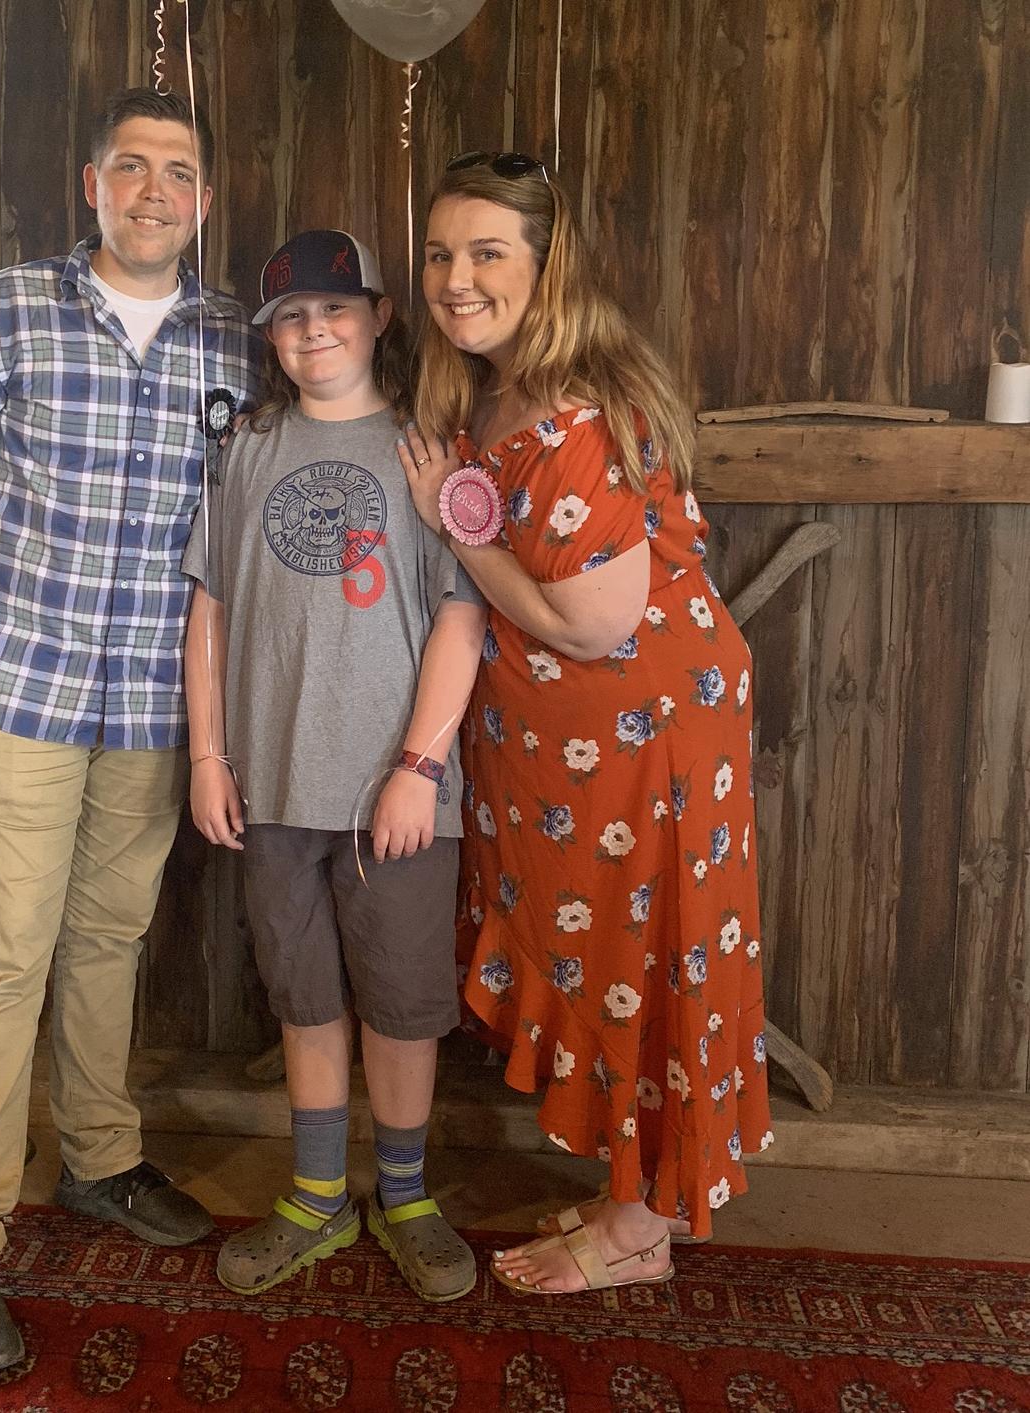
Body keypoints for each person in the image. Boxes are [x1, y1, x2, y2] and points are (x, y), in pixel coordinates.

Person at [0, 88, 258, 1374]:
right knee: (4, 960)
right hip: (17, 688)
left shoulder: (233, 340)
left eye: (179, 173)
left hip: (153, 703)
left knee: (109, 940)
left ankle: (101, 1159)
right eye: (132, 167)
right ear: (92, 184)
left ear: (204, 200)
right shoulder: (9, 310)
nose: (155, 191)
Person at [397, 151, 773, 1295]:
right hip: (574, 749)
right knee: (612, 958)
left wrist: (456, 529)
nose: (457, 279)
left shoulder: (575, 414)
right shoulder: (501, 386)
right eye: (440, 254)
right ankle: (634, 1195)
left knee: (637, 964)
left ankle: (638, 1232)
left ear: (548, 265)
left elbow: (594, 623)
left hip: (640, 743)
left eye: (488, 253)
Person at [183, 230, 487, 1302]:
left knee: (402, 1001)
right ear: (270, 338)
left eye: (334, 310)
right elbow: (209, 609)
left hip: (394, 794)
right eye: (291, 319)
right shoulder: (246, 450)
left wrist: (420, 766)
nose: (314, 331)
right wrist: (209, 755)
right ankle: (317, 1198)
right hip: (271, 784)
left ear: (378, 316)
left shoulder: (426, 450)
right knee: (304, 995)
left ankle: (404, 1197)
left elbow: (461, 615)